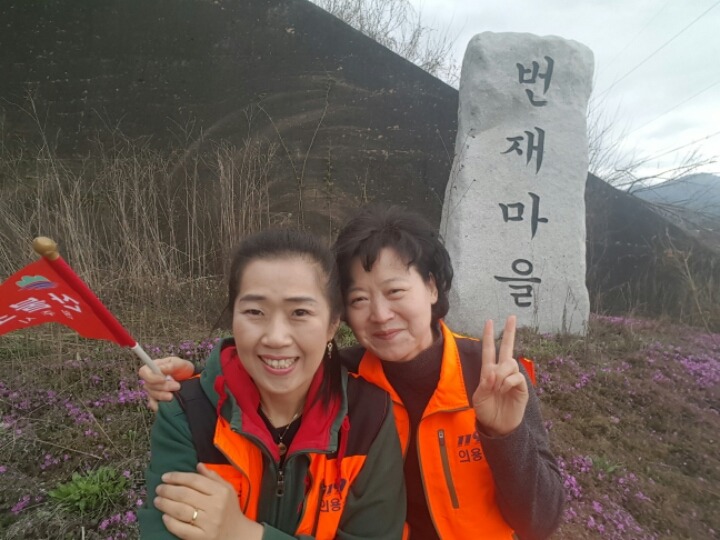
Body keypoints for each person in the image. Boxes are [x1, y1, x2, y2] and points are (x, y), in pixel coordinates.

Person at [141, 206, 565, 539]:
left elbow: (541, 522)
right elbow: (272, 363)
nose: (380, 314)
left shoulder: (491, 376)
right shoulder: (346, 376)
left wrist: (505, 435)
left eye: (395, 291)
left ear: (432, 287)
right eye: (359, 299)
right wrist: (193, 385)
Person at [138, 229, 406, 540]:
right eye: (255, 312)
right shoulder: (187, 413)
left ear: (333, 324)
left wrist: (243, 533)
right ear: (233, 317)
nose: (276, 337)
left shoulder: (368, 416)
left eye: (300, 312)